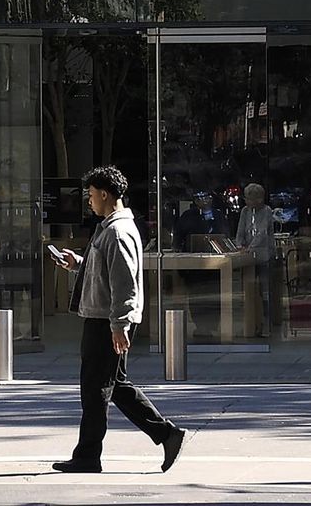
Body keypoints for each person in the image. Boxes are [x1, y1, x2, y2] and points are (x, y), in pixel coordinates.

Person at [50, 165, 186, 475]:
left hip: (106, 319)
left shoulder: (118, 230)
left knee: (95, 389)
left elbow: (125, 282)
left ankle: (88, 456)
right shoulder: (110, 227)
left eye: (91, 195)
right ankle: (166, 434)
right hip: (104, 317)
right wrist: (77, 263)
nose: (89, 201)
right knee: (116, 385)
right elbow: (107, 270)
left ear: (104, 194)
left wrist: (119, 324)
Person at [235, 183, 274, 338]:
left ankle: (266, 325)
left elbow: (262, 233)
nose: (247, 201)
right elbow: (240, 230)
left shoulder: (267, 211)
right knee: (248, 290)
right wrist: (239, 245)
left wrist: (250, 248)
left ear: (259, 199)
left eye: (250, 199)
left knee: (264, 291)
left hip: (263, 256)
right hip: (248, 258)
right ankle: (251, 324)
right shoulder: (245, 211)